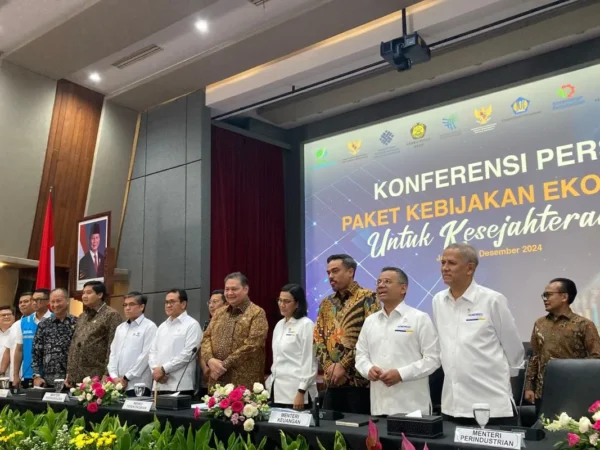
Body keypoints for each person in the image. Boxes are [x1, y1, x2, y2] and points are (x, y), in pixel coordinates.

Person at [432, 243, 524, 426]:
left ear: (470, 268)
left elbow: (514, 348)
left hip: (492, 404)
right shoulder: (438, 301)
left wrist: (506, 380)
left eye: (451, 263)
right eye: (443, 262)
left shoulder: (492, 300)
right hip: (452, 404)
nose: (444, 268)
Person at [356, 267, 440, 416]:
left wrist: (401, 374)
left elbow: (433, 359)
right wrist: (368, 369)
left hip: (412, 408)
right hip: (379, 406)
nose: (381, 285)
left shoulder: (419, 318)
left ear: (403, 288)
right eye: (379, 282)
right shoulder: (370, 321)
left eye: (387, 281)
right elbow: (361, 355)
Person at [313, 254, 379, 415]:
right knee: (328, 435)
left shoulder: (368, 297)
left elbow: (369, 338)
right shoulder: (326, 303)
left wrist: (343, 365)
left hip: (358, 383)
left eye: (335, 271)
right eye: (328, 272)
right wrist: (329, 367)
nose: (331, 276)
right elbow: (317, 338)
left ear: (350, 271)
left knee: (358, 434)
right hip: (332, 382)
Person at [524, 278, 600, 406]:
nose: (545, 299)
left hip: (574, 391)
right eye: (544, 295)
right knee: (542, 425)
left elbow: (596, 358)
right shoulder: (539, 324)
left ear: (564, 297)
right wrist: (529, 387)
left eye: (549, 295)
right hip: (543, 392)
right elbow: (534, 357)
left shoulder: (584, 325)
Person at [200, 272, 268, 389]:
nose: (229, 293)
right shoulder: (219, 312)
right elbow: (206, 338)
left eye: (234, 289)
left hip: (244, 382)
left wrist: (223, 365)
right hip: (217, 380)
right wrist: (210, 360)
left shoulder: (256, 313)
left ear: (245, 289)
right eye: (227, 289)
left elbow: (253, 345)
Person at [266, 284, 318, 410]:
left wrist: (301, 391)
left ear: (297, 303)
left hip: (297, 392)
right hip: (277, 390)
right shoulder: (279, 325)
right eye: (280, 300)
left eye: (287, 301)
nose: (281, 305)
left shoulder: (306, 325)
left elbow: (309, 361)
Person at [66, 281, 122, 385]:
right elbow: (74, 344)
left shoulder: (111, 315)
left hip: (96, 376)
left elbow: (113, 347)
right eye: (83, 293)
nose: (84, 296)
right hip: (76, 376)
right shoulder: (82, 316)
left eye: (88, 293)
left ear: (100, 295)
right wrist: (69, 373)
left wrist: (107, 374)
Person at [149, 289, 202, 395]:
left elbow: (188, 354)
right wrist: (155, 370)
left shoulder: (192, 325)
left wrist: (164, 369)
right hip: (159, 384)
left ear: (183, 304)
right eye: (166, 302)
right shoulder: (162, 327)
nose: (168, 305)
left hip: (181, 385)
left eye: (172, 302)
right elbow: (152, 351)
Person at [108, 292, 157, 397]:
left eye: (131, 304)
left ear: (141, 307)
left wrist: (127, 377)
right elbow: (113, 353)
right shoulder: (120, 328)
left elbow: (145, 356)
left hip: (138, 384)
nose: (127, 308)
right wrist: (114, 376)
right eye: (125, 305)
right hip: (117, 384)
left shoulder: (149, 327)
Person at [31, 289, 77, 388]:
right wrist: (36, 376)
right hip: (47, 381)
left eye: (59, 301)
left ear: (67, 301)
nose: (55, 305)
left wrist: (74, 375)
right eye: (52, 301)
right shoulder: (43, 325)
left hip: (72, 380)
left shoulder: (77, 323)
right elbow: (36, 352)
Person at [12, 288, 53, 388]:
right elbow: (19, 350)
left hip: (51, 374)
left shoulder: (55, 319)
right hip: (28, 374)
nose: (34, 303)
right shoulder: (24, 322)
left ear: (48, 301)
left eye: (38, 300)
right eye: (33, 300)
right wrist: (16, 375)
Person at [1, 293, 34, 382]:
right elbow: (8, 351)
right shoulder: (15, 325)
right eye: (20, 302)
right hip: (14, 377)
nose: (22, 304)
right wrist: (2, 373)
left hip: (33, 374)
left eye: (26, 301)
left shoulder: (42, 322)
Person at [0, 306, 15, 379]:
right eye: (3, 315)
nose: (6, 317)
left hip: (12, 377)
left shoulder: (18, 332)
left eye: (9, 314)